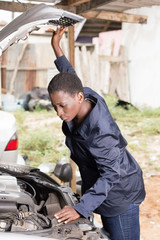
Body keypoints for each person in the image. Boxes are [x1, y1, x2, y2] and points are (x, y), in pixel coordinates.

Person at [47, 26, 146, 240]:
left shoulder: (101, 133)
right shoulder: (82, 95)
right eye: (55, 107)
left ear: (79, 98)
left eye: (62, 106)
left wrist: (80, 208)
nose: (59, 112)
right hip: (102, 186)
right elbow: (69, 77)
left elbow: (111, 174)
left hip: (119, 195)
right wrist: (56, 46)